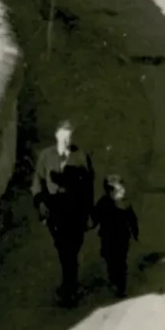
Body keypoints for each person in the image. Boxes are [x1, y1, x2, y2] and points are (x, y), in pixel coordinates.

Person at [34, 122, 96, 306]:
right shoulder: (46, 156)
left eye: (69, 137)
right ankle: (70, 284)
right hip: (55, 213)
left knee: (71, 250)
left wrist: (89, 213)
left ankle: (69, 289)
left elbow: (89, 188)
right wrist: (41, 206)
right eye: (63, 136)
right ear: (56, 135)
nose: (66, 140)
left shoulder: (81, 156)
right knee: (64, 250)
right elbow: (38, 182)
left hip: (76, 213)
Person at [94, 175, 141, 298]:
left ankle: (121, 287)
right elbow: (95, 216)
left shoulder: (124, 203)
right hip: (107, 238)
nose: (122, 191)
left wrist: (135, 233)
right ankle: (114, 280)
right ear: (110, 190)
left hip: (121, 238)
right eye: (118, 189)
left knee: (120, 261)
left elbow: (132, 219)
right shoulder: (103, 203)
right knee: (110, 260)